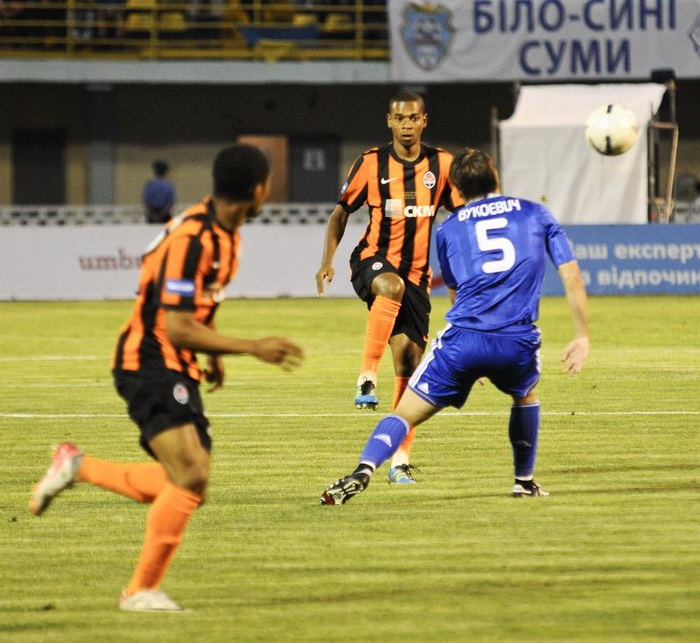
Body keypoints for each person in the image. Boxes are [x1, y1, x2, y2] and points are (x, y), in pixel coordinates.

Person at [29, 144, 304, 612]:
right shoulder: (194, 238)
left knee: (191, 481)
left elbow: (197, 308)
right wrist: (252, 347)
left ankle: (78, 467)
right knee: (191, 477)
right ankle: (139, 591)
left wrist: (212, 350)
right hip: (148, 360)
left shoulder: (225, 233)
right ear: (259, 189)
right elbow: (177, 326)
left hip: (175, 362)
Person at [320, 147, 589, 505]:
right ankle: (523, 481)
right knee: (525, 395)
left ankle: (364, 469)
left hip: (464, 342)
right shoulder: (535, 213)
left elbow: (455, 291)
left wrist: (473, 359)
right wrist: (582, 335)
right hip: (517, 341)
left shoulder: (449, 229)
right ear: (495, 175)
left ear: (457, 187)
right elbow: (571, 276)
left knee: (404, 414)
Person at [315, 90, 464, 485]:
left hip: (418, 279)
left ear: (424, 121)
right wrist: (328, 260)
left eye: (414, 118)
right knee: (390, 285)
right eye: (400, 119)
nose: (407, 125)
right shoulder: (370, 163)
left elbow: (462, 218)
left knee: (411, 367)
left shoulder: (442, 164)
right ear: (389, 121)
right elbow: (340, 213)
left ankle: (399, 461)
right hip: (372, 261)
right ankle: (366, 376)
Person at [143, 159, 176, 224]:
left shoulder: (150, 184)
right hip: (165, 215)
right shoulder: (169, 185)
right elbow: (170, 202)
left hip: (152, 214)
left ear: (155, 171)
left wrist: (153, 215)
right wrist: (161, 215)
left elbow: (146, 202)